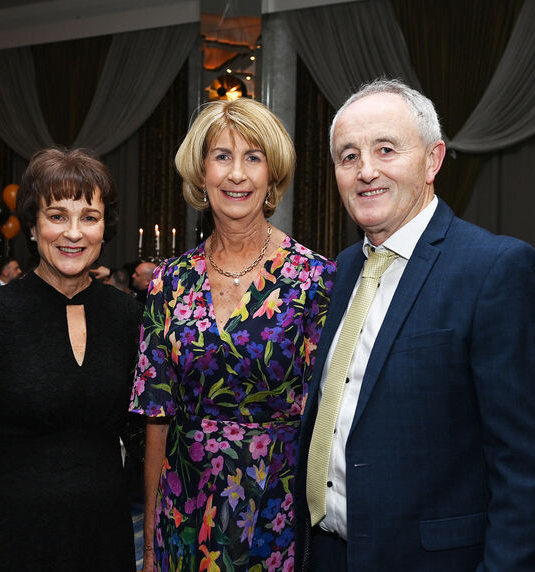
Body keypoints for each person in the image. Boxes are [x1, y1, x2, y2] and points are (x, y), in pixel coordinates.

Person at [295, 78, 535, 570]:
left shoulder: (495, 269)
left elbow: (526, 468)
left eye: (386, 149)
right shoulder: (345, 268)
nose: (365, 170)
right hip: (325, 554)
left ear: (433, 160)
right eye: (348, 156)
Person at [130, 98, 336, 571]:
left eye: (253, 157)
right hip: (182, 513)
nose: (237, 174)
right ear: (201, 174)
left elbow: (329, 417)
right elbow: (156, 420)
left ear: (272, 175)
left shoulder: (316, 279)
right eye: (222, 156)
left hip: (275, 512)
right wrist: (147, 546)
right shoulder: (169, 281)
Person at [0, 148, 140, 570]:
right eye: (57, 216)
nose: (74, 233)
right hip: (14, 538)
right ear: (32, 226)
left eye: (89, 217)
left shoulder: (129, 317)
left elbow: (145, 437)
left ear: (105, 227)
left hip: (106, 537)